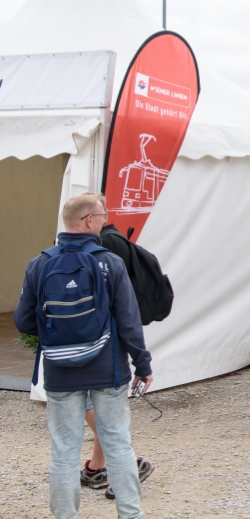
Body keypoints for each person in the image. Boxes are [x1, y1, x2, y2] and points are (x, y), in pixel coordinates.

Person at [15, 193, 153, 519]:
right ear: (89, 220)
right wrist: (143, 364)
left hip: (61, 372)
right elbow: (129, 322)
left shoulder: (40, 263)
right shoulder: (110, 263)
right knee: (118, 445)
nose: (105, 221)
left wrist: (58, 336)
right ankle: (130, 515)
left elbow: (22, 321)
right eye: (102, 216)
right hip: (109, 370)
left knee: (64, 450)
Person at [80, 207, 156, 500]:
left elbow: (123, 309)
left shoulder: (104, 248)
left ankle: (127, 466)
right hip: (109, 346)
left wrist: (141, 360)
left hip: (98, 345)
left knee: (91, 406)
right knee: (101, 408)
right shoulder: (111, 243)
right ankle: (98, 467)